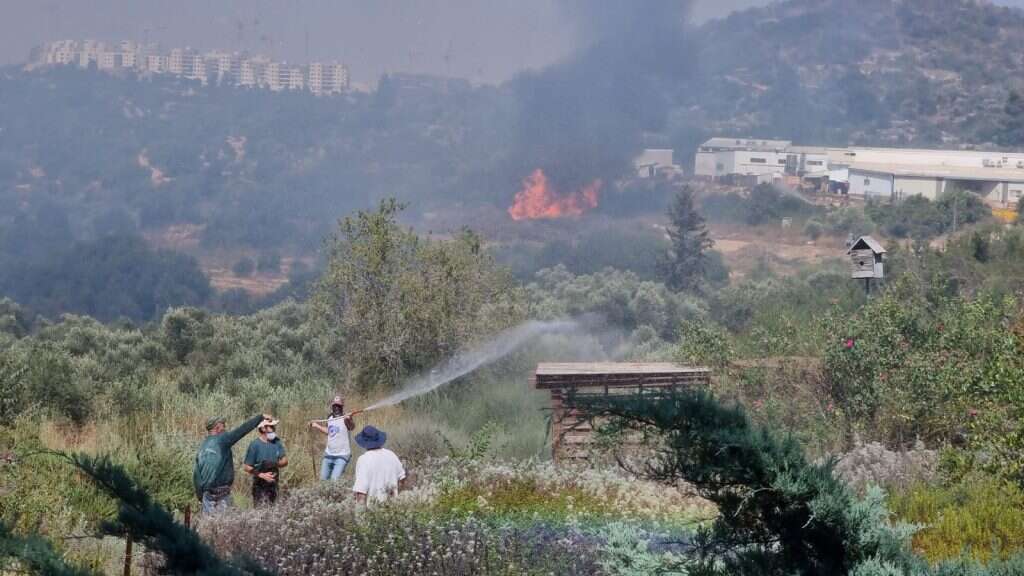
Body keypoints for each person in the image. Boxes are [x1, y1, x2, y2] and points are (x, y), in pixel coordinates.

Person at [193, 413, 272, 514]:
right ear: (217, 427)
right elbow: (242, 430)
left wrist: (201, 496)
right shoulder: (222, 440)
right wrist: (260, 417)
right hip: (221, 493)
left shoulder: (202, 447)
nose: (225, 428)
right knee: (225, 525)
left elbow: (196, 476)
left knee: (209, 526)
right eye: (223, 425)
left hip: (206, 496)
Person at [352, 425, 406, 504]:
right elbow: (402, 479)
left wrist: (359, 515)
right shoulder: (391, 455)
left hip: (374, 512)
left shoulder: (364, 460)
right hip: (394, 509)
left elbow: (361, 492)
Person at [309, 395, 355, 481]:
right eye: (335, 406)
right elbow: (329, 432)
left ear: (342, 407)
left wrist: (349, 419)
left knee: (334, 482)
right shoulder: (329, 418)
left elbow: (351, 427)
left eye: (339, 406)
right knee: (323, 480)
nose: (336, 408)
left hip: (342, 456)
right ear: (332, 406)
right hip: (328, 454)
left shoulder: (345, 418)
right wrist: (316, 425)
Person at [243, 418, 288, 507]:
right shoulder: (255, 445)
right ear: (263, 429)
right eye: (271, 426)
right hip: (259, 485)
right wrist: (262, 475)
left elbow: (285, 461)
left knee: (273, 509)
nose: (274, 428)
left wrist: (276, 464)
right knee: (260, 511)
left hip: (274, 484)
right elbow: (246, 466)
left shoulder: (276, 441)